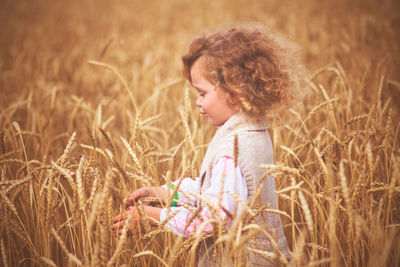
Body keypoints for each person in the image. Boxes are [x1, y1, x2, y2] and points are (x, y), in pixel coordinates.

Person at [112, 25, 305, 266]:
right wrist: (165, 193)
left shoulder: (232, 150)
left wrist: (154, 216)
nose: (197, 102)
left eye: (202, 93)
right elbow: (214, 195)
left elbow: (212, 220)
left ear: (234, 91)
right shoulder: (253, 131)